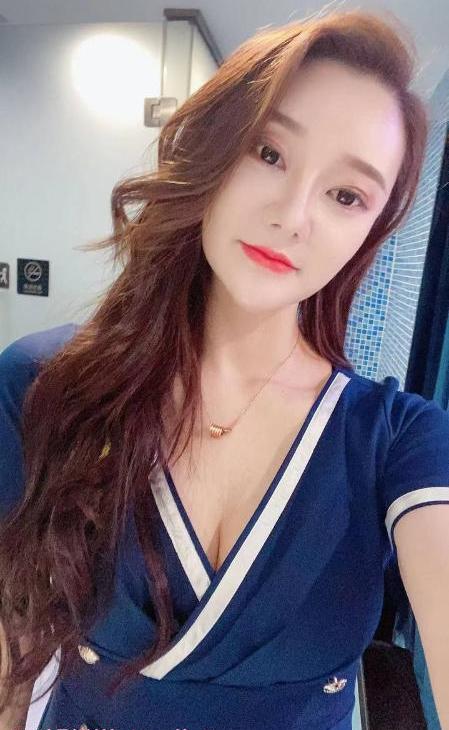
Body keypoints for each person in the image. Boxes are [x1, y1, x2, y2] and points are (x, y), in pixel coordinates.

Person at [0, 8, 448, 730]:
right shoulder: (45, 382)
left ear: (368, 232)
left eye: (346, 195)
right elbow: (12, 631)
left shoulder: (396, 440)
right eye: (268, 152)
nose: (292, 214)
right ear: (212, 151)